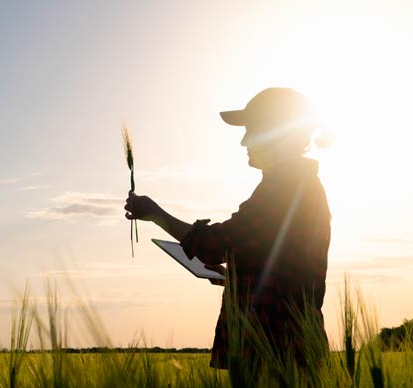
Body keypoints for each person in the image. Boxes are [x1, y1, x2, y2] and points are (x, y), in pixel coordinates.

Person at [124, 87, 331, 369]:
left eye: (252, 130)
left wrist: (155, 214)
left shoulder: (285, 188)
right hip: (285, 346)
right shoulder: (295, 185)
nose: (244, 141)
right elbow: (277, 260)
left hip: (275, 348)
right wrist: (234, 277)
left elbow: (217, 244)